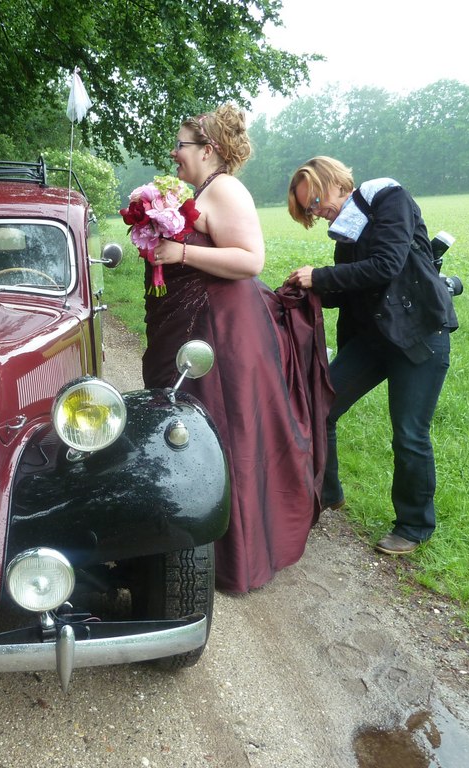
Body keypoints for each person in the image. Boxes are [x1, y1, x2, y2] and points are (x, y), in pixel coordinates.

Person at [145, 105, 332, 593]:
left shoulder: (225, 188)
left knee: (226, 432)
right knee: (196, 432)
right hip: (199, 324)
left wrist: (181, 251)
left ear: (208, 150)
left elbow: (251, 260)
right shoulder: (204, 191)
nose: (174, 152)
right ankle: (196, 538)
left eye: (181, 144)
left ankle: (236, 556)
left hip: (223, 331)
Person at [285, 156, 457, 555]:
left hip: (419, 334)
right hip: (375, 339)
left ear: (335, 182)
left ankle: (413, 526)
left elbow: (386, 265)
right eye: (309, 210)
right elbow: (354, 289)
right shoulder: (346, 231)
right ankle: (327, 494)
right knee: (320, 406)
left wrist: (321, 276)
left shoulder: (388, 199)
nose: (317, 212)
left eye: (315, 201)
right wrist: (308, 290)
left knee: (409, 434)